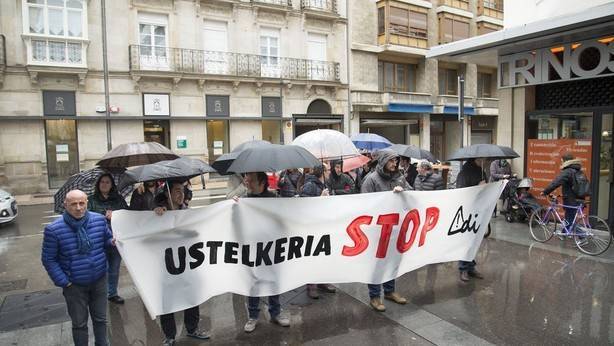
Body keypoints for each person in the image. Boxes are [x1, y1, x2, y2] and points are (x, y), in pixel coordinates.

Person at [42, 190, 114, 346]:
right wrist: (64, 282)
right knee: (80, 324)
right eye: (73, 204)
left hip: (99, 280)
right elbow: (49, 259)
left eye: (82, 203)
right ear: (65, 205)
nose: (78, 207)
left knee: (101, 320)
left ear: (87, 202)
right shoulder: (54, 230)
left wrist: (112, 242)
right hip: (74, 286)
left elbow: (107, 240)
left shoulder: (99, 220)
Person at [153, 180, 210, 345]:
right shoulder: (158, 213)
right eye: (176, 191)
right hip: (167, 265)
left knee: (191, 295)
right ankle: (169, 335)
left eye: (182, 191)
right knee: (168, 300)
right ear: (167, 194)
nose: (181, 194)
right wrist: (156, 213)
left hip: (187, 262)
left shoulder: (188, 212)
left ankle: (192, 328)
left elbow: (198, 232)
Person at [235, 172, 290, 332]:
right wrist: (235, 205)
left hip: (272, 247)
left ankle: (276, 312)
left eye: (251, 180)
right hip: (253, 248)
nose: (248, 182)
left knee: (273, 279)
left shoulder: (273, 199)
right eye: (248, 180)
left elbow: (283, 220)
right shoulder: (244, 200)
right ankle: (253, 316)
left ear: (262, 183)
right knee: (253, 281)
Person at [360, 149, 411, 312]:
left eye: (396, 161)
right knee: (376, 263)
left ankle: (389, 291)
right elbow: (365, 205)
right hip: (377, 230)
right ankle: (375, 296)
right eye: (391, 161)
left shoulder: (399, 178)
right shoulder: (371, 180)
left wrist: (404, 193)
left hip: (395, 228)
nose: (394, 163)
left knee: (392, 260)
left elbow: (413, 194)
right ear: (382, 161)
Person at [87, 173, 128, 305]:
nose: (104, 184)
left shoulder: (118, 199)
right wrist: (102, 215)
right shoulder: (91, 200)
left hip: (116, 240)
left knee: (114, 270)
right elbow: (86, 218)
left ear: (112, 185)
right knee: (100, 270)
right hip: (98, 241)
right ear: (98, 185)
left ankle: (112, 293)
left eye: (107, 182)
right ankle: (99, 294)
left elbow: (128, 215)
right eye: (102, 182)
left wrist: (115, 215)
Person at [299, 164, 337, 299]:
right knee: (313, 256)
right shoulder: (310, 185)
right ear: (321, 172)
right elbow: (303, 206)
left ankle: (322, 281)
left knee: (324, 255)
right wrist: (320, 198)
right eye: (327, 170)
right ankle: (311, 286)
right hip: (312, 227)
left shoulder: (325, 184)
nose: (329, 172)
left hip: (324, 225)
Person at [455, 159, 486, 282]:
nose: (485, 161)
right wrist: (478, 187)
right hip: (466, 211)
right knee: (466, 240)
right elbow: (461, 191)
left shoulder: (481, 171)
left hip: (478, 210)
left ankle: (471, 266)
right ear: (476, 159)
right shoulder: (463, 173)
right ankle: (463, 269)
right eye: (482, 159)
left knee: (474, 240)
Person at [542, 153, 586, 232]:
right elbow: (573, 186)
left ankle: (582, 235)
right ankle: (564, 232)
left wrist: (545, 191)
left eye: (561, 161)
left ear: (566, 161)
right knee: (568, 218)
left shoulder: (567, 171)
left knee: (570, 220)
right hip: (579, 198)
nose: (561, 163)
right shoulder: (578, 171)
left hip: (571, 200)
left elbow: (556, 182)